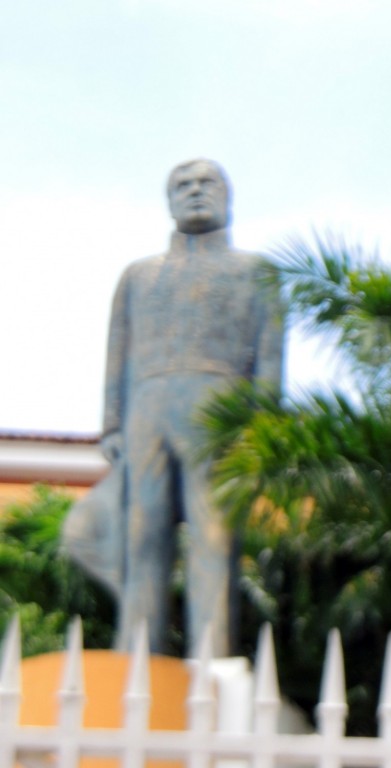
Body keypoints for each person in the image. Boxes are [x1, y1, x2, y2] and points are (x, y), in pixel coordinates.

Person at [66, 159, 283, 656]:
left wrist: (263, 430)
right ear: (168, 202)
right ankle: (137, 658)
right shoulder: (139, 276)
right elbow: (117, 352)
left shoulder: (255, 272)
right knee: (142, 541)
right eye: (182, 185)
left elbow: (270, 357)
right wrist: (112, 424)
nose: (195, 191)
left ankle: (211, 660)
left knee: (213, 538)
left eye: (207, 183)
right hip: (147, 410)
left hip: (219, 410)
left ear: (228, 197)